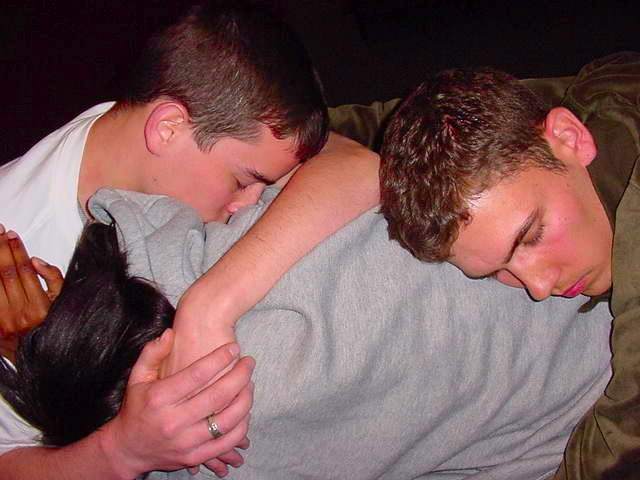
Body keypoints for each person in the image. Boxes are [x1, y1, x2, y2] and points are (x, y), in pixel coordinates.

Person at [0, 1, 379, 478]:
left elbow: (357, 165)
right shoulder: (23, 252)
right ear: (168, 128)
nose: (250, 204)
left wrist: (209, 305)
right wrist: (123, 450)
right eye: (243, 181)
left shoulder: (139, 131)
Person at [1, 185, 614, 479]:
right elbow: (356, 163)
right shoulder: (179, 243)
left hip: (589, 401)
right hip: (592, 261)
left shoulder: (213, 458)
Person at [378, 52, 640, 479]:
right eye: (499, 271)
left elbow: (623, 442)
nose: (539, 286)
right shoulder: (598, 99)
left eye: (531, 235)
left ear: (571, 138)